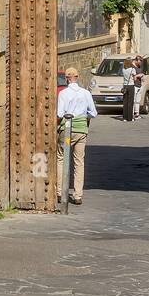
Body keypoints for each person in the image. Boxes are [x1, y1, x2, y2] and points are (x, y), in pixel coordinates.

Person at [56, 66, 96, 206]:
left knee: (61, 158)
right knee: (79, 162)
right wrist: (83, 116)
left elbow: (60, 114)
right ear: (77, 77)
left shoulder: (63, 94)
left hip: (67, 130)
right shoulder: (85, 93)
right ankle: (78, 195)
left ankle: (60, 192)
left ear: (67, 78)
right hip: (81, 130)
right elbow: (94, 113)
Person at [121, 58, 137, 122]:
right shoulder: (132, 69)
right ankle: (130, 118)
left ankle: (125, 118)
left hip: (125, 86)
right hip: (131, 86)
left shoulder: (123, 70)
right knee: (130, 102)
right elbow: (135, 78)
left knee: (125, 102)